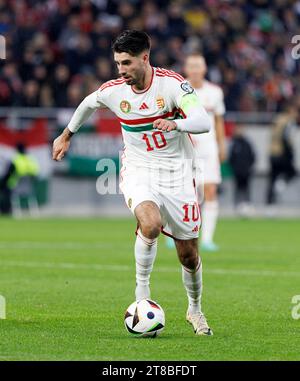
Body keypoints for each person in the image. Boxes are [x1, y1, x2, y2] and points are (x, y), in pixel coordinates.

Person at [52, 30, 213, 336]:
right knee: (149, 223)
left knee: (188, 254)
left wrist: (176, 123)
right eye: (117, 64)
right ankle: (141, 297)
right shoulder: (115, 91)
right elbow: (88, 103)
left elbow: (203, 121)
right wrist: (66, 135)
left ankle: (195, 309)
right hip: (139, 170)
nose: (121, 70)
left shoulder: (173, 85)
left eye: (126, 63)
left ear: (145, 58)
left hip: (179, 175)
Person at [183, 53, 226, 252]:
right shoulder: (179, 90)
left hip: (208, 148)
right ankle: (178, 232)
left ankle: (207, 239)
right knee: (185, 193)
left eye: (198, 65)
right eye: (191, 65)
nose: (195, 69)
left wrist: (222, 145)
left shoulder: (215, 92)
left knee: (209, 190)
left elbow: (218, 121)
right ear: (186, 68)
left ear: (204, 68)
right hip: (185, 148)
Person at [266, 103, 298, 205]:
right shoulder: (288, 121)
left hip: (272, 152)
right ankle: (280, 186)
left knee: (272, 178)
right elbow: (286, 137)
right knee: (292, 172)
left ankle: (270, 201)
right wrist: (290, 151)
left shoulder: (277, 119)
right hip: (282, 153)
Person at [0, 143, 39, 215]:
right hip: (29, 188)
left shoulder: (16, 160)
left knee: (4, 189)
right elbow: (36, 175)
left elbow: (8, 174)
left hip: (15, 187)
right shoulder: (31, 160)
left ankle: (6, 211)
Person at [228, 126, 256, 216]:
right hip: (237, 172)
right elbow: (231, 158)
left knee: (246, 188)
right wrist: (234, 168)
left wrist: (249, 167)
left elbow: (252, 156)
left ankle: (248, 205)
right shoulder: (234, 144)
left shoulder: (247, 143)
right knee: (237, 189)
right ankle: (237, 205)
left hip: (246, 171)